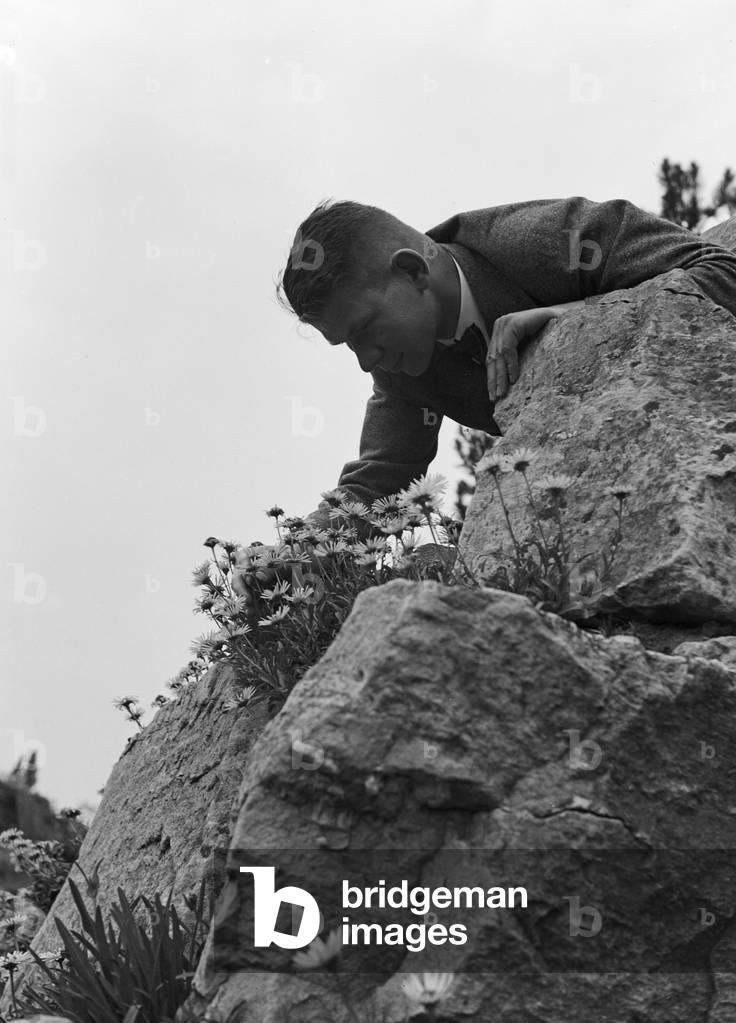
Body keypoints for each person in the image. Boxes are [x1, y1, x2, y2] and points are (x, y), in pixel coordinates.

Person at [234, 196, 736, 605]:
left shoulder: (551, 239)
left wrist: (578, 319)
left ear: (412, 272)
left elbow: (721, 271)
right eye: (349, 345)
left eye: (365, 330)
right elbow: (379, 480)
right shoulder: (402, 370)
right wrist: (292, 552)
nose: (367, 362)